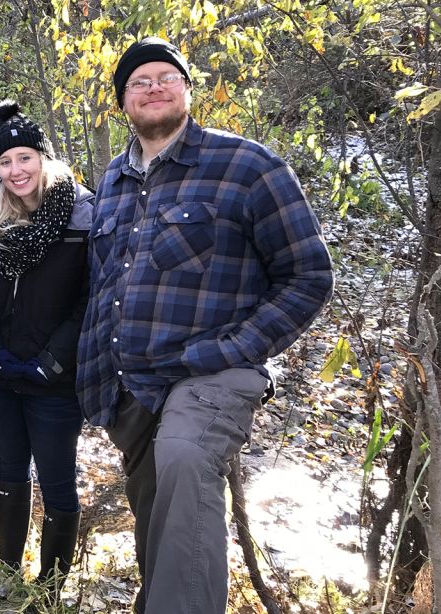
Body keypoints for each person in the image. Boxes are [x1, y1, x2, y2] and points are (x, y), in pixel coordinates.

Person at [77, 37, 334, 613]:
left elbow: (308, 275)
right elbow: (106, 288)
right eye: (138, 82)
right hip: (133, 384)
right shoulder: (115, 180)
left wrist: (236, 347)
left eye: (166, 77)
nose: (153, 88)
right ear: (123, 102)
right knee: (157, 522)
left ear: (187, 91)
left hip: (209, 373)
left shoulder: (246, 165)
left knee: (186, 459)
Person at [0, 101, 92, 587]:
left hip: (56, 379)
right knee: (10, 468)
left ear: (44, 158)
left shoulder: (82, 213)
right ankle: (8, 571)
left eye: (24, 158)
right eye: (5, 161)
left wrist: (52, 361)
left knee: (58, 480)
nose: (15, 171)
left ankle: (53, 586)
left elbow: (92, 297)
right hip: (0, 375)